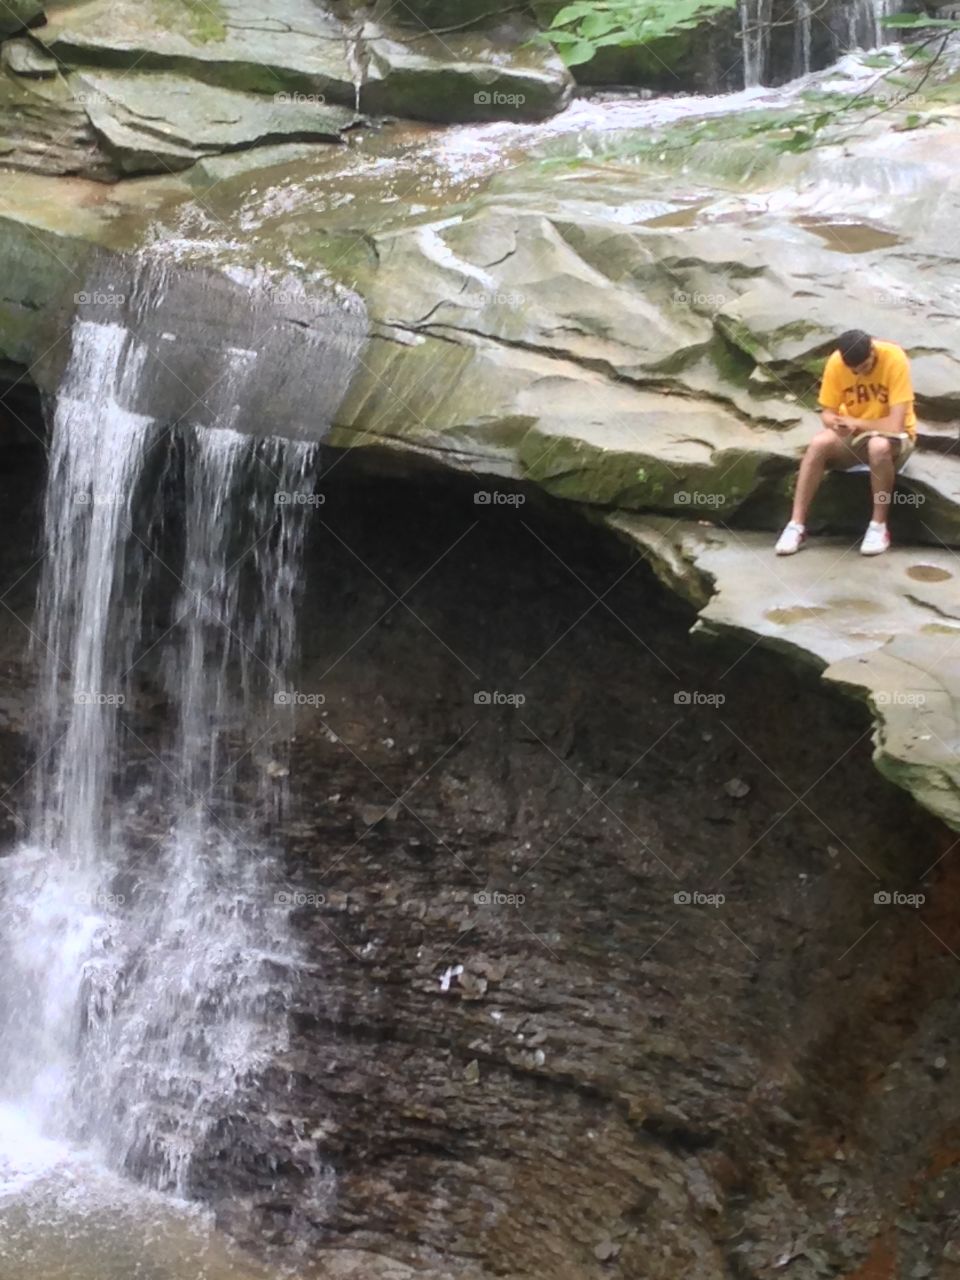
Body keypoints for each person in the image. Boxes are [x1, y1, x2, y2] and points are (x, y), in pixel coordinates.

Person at [775, 330, 917, 556]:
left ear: (872, 349)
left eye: (865, 366)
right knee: (818, 444)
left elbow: (895, 426)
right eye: (854, 370)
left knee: (878, 447)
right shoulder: (836, 363)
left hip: (895, 439)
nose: (860, 372)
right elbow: (827, 414)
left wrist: (857, 422)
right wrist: (837, 424)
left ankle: (879, 526)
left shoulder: (894, 358)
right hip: (856, 433)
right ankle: (796, 525)